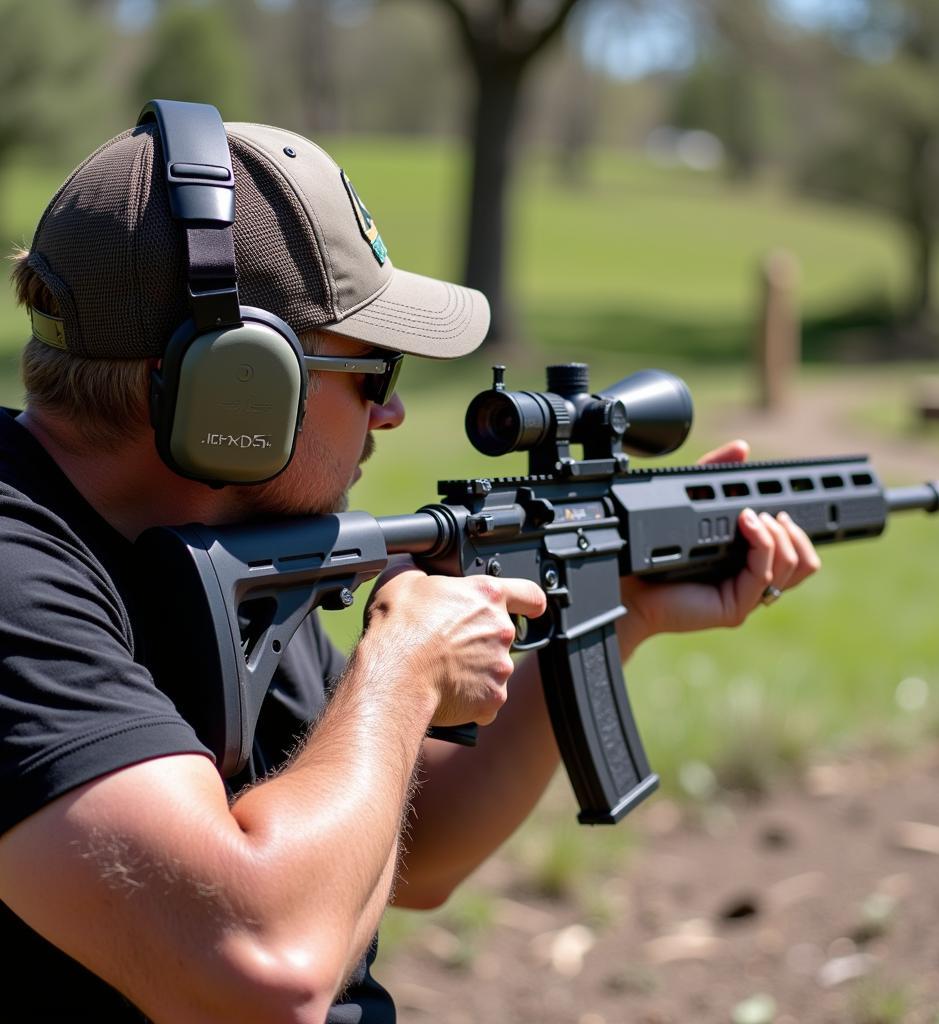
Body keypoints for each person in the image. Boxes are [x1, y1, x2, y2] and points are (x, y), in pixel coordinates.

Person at [0, 104, 820, 1023]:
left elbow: (407, 852)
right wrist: (399, 670)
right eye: (374, 371)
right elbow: (264, 969)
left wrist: (618, 609)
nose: (390, 415)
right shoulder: (15, 582)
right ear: (240, 387)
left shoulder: (226, 541)